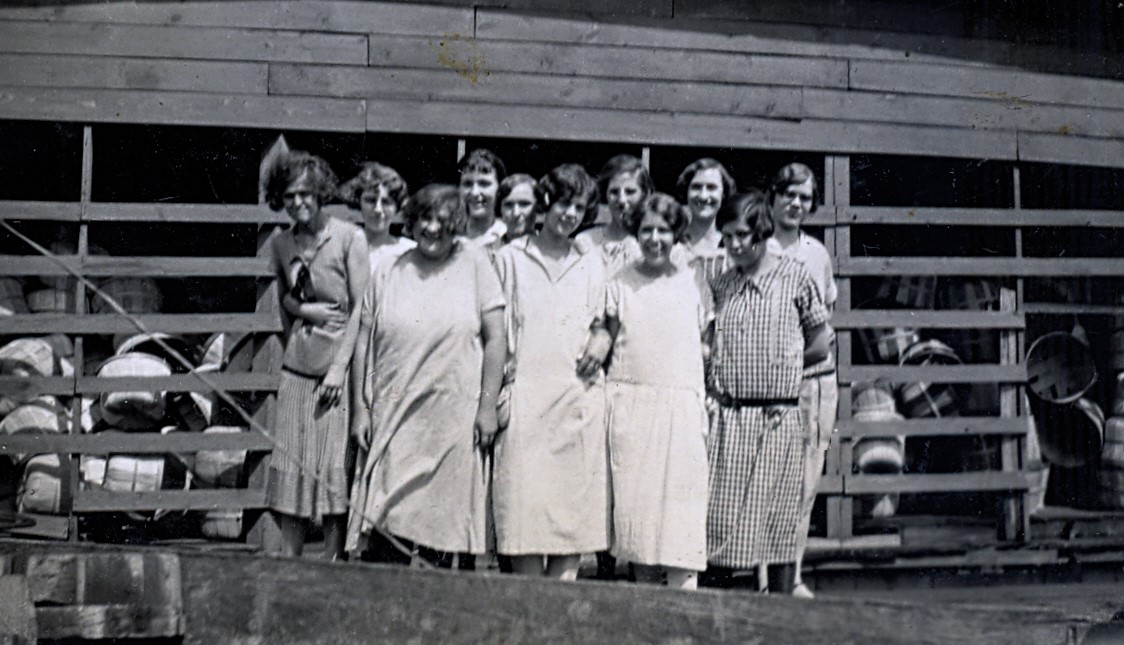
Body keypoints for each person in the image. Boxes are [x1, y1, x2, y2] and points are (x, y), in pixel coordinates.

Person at [347, 184, 506, 568]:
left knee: (440, 522)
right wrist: (360, 409)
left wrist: (487, 407)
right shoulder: (389, 268)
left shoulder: (475, 264)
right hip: (394, 414)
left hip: (451, 418)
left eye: (442, 221)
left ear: (456, 226)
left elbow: (496, 337)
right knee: (386, 514)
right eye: (424, 219)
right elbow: (363, 339)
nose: (432, 228)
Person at [704, 193, 831, 594]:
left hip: (778, 418)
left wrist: (784, 376)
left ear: (761, 232)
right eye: (727, 237)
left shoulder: (795, 277)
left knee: (777, 522)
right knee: (721, 522)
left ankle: (779, 615)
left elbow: (820, 343)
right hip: (730, 419)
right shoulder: (722, 285)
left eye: (742, 235)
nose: (735, 245)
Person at [491, 163, 611, 581]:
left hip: (578, 401)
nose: (570, 214)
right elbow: (494, 335)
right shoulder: (510, 258)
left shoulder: (591, 263)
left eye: (579, 207)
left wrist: (603, 338)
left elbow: (603, 321)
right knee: (525, 520)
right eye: (563, 203)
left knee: (571, 524)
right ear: (545, 203)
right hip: (526, 402)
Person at [265, 151, 369, 560]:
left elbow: (363, 306)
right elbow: (286, 297)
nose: (299, 202)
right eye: (290, 195)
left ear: (321, 192)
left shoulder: (348, 237)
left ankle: (332, 562)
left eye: (307, 193)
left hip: (335, 374)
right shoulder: (280, 243)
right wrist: (300, 309)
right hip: (297, 369)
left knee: (331, 475)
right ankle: (290, 565)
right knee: (290, 468)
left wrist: (339, 371)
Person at [604, 193, 710, 590]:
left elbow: (707, 343)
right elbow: (606, 337)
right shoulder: (619, 282)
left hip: (681, 410)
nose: (654, 238)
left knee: (681, 522)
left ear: (677, 234)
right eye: (646, 229)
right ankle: (646, 616)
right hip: (632, 409)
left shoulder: (694, 281)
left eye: (663, 230)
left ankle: (686, 609)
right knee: (639, 525)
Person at [765, 163, 837, 599]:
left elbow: (825, 325)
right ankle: (763, 580)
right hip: (768, 388)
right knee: (767, 486)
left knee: (804, 486)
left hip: (813, 384)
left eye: (804, 198)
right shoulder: (756, 247)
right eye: (789, 194)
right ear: (773, 197)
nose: (796, 204)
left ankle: (791, 577)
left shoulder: (817, 253)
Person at [575, 154, 653, 272]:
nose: (621, 200)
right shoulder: (586, 241)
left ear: (645, 194)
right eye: (614, 192)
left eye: (630, 191)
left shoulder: (654, 241)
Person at [338, 162, 415, 274]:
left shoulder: (410, 251)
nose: (378, 209)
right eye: (371, 200)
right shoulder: (341, 250)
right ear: (359, 202)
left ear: (396, 206)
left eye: (386, 202)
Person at [677, 158, 736, 264]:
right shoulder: (675, 242)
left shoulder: (733, 244)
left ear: (723, 194)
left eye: (711, 187)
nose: (703, 196)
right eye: (696, 187)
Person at [458, 148, 508, 249]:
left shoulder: (508, 237)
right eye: (467, 184)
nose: (474, 192)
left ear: (499, 189)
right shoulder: (448, 240)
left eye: (484, 183)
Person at [497, 173, 539, 244]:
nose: (516, 213)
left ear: (537, 207)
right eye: (508, 205)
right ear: (501, 208)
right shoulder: (486, 252)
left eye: (524, 204)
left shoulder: (551, 250)